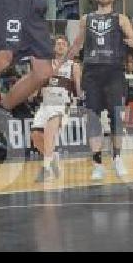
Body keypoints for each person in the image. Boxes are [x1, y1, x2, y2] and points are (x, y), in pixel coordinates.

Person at [64, 0, 133, 181]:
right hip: (91, 73)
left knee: (116, 117)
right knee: (93, 119)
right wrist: (61, 63)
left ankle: (117, 158)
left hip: (114, 71)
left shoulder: (121, 19)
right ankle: (97, 163)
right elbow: (77, 44)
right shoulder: (86, 19)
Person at [30, 36, 81, 182]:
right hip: (45, 103)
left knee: (49, 133)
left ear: (67, 48)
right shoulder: (46, 64)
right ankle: (52, 158)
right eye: (58, 44)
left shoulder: (73, 65)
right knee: (35, 136)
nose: (60, 46)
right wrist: (33, 92)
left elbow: (78, 87)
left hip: (62, 104)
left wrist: (78, 100)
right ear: (53, 47)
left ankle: (45, 169)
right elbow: (38, 83)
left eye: (63, 44)